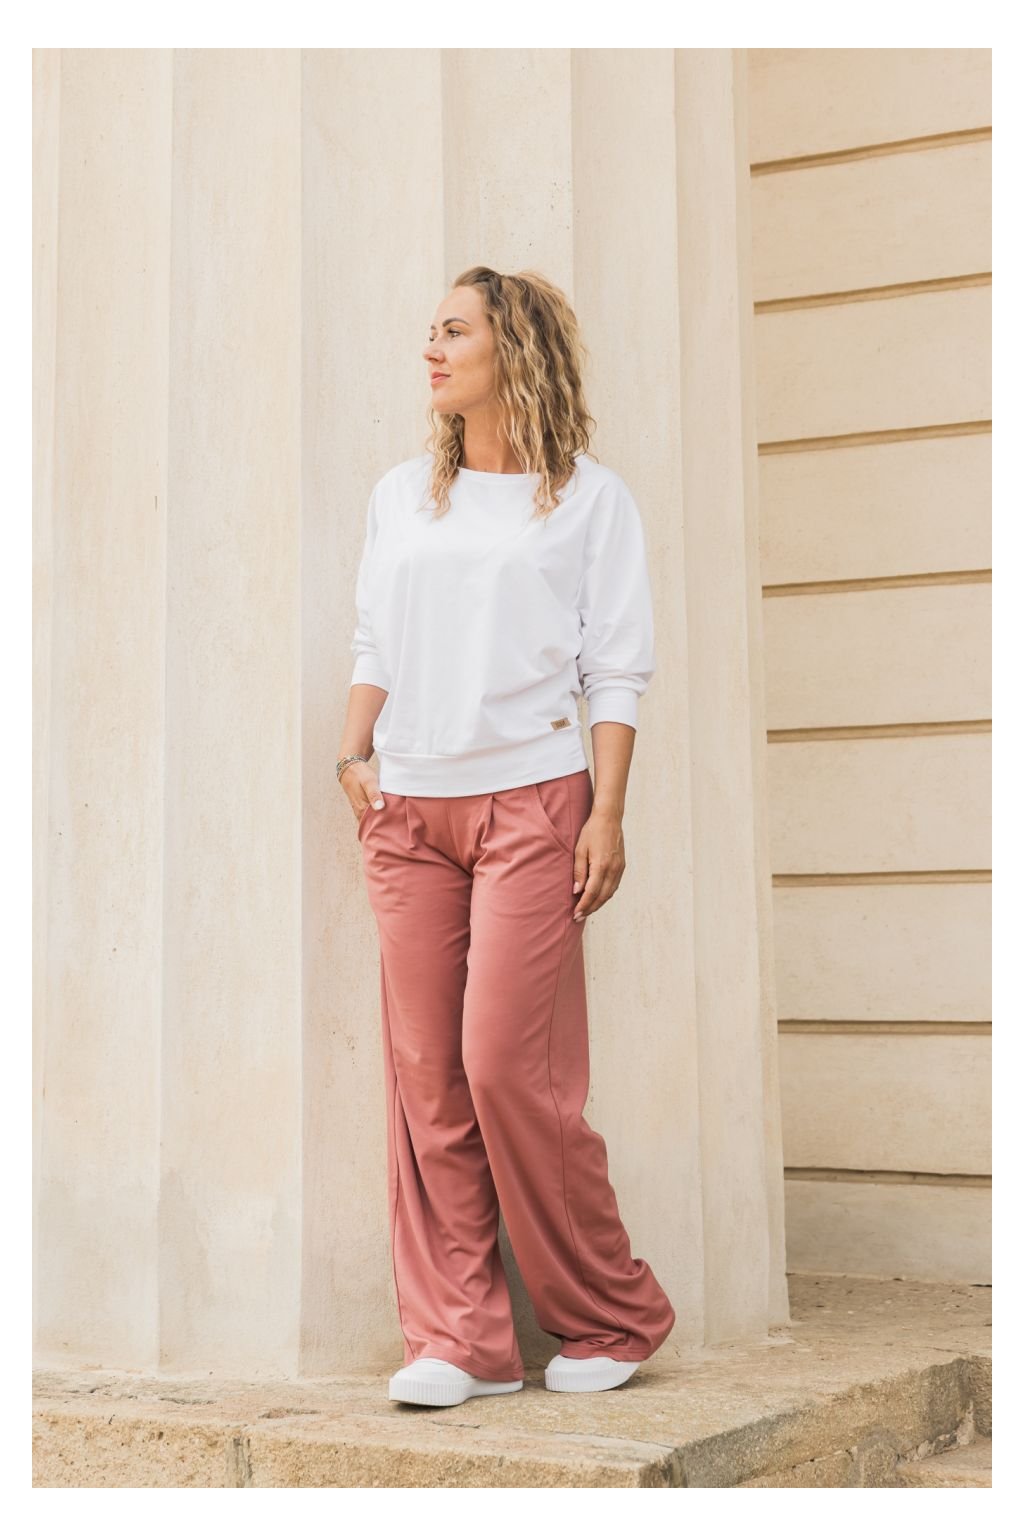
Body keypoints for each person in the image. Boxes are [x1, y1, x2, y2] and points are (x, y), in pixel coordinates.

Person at [336, 266, 676, 1409]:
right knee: (428, 1078)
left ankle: (614, 1313)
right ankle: (462, 1340)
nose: (431, 349)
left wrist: (607, 811)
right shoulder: (402, 495)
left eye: (454, 331)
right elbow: (374, 639)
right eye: (429, 331)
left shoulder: (589, 502)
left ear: (514, 349)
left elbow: (614, 667)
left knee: (505, 1068)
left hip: (534, 800)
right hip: (407, 809)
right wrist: (352, 756)